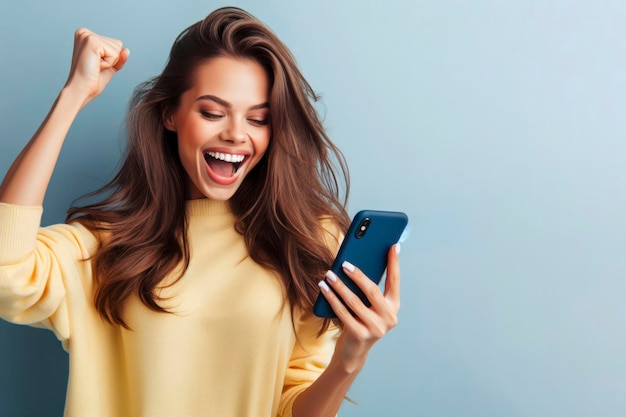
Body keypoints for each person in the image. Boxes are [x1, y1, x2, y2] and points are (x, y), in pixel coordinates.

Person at [0, 7, 401, 417]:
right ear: (170, 114)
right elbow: (5, 270)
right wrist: (73, 96)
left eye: (258, 119)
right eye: (212, 112)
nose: (236, 134)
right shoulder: (101, 248)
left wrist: (349, 361)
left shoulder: (307, 242)